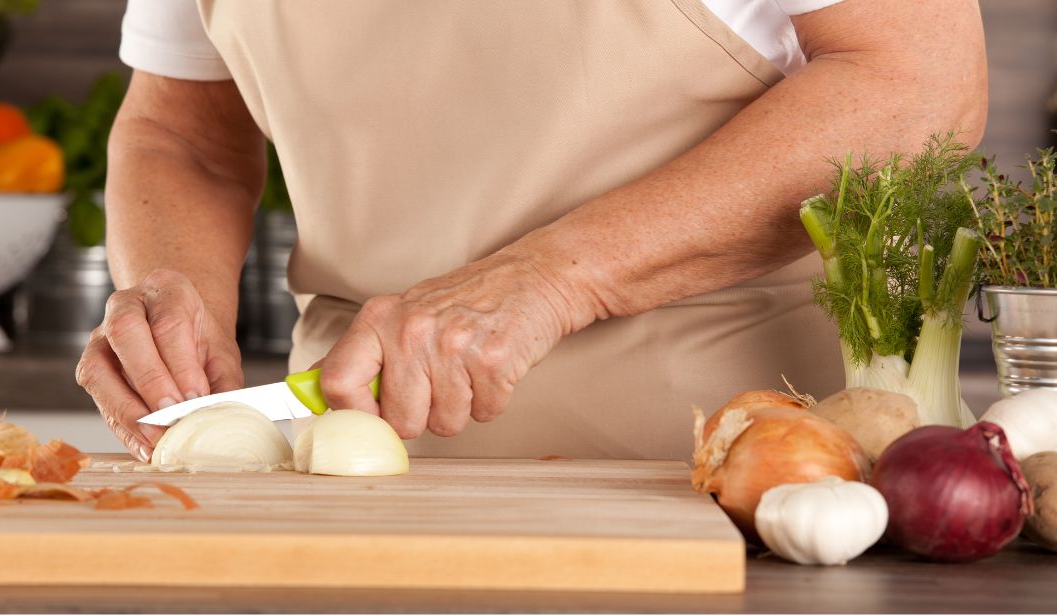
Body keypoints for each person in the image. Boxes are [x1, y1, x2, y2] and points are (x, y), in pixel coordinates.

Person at [78, 0, 988, 463]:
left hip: (732, 490)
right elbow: (181, 131)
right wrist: (172, 285)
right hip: (351, 485)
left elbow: (919, 84)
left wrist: (560, 276)